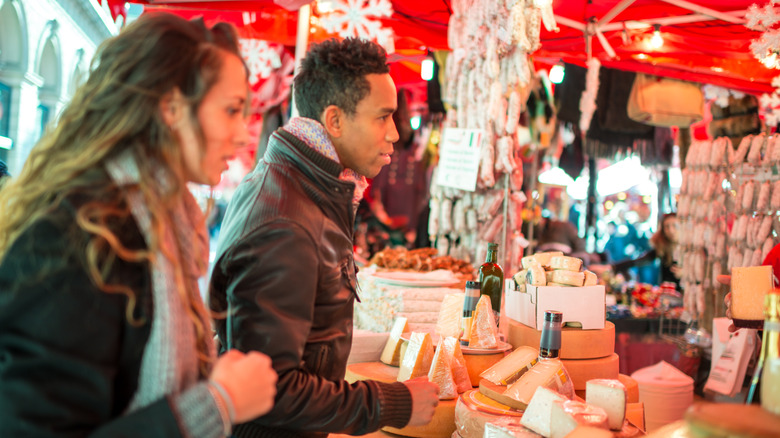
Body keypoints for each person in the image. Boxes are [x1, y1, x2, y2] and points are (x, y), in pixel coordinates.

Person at [0, 14, 277, 437]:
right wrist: (218, 402)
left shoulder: (167, 220)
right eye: (231, 110)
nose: (243, 135)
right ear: (170, 107)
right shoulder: (83, 234)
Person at [208, 37, 439, 437]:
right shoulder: (287, 219)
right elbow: (274, 389)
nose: (395, 134)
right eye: (382, 117)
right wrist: (393, 403)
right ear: (334, 120)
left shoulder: (308, 185)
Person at [613, 212, 681, 289]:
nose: (671, 230)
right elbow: (640, 260)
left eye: (674, 226)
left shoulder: (689, 249)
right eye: (667, 227)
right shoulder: (662, 248)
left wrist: (685, 274)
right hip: (667, 295)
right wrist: (614, 267)